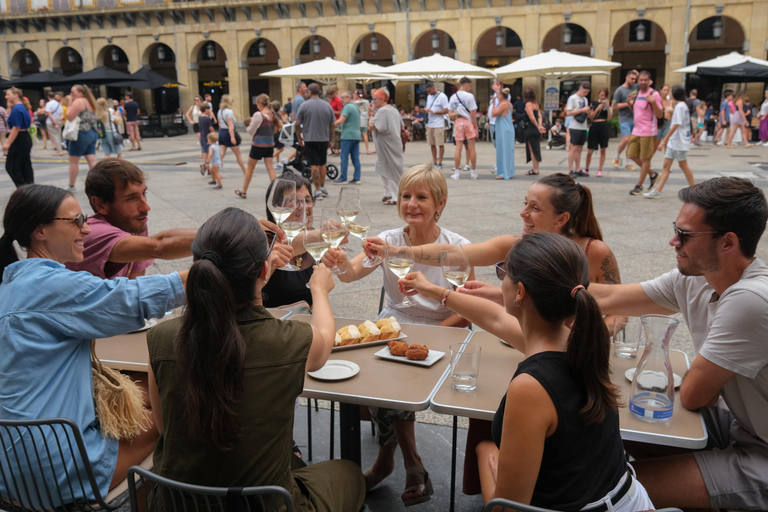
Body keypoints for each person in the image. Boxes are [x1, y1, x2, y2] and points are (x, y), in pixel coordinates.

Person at [400, 233, 653, 511]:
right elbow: (494, 317)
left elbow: (507, 509)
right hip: (631, 499)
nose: (501, 281)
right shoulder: (582, 342)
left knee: (486, 449)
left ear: (520, 292)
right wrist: (437, 292)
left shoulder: (530, 387)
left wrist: (485, 457)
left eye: (503, 273)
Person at [145, 207, 365, 512]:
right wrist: (319, 289)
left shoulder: (161, 337)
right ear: (262, 271)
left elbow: (162, 427)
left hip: (176, 503)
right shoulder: (288, 341)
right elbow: (325, 340)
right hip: (264, 505)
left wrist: (260, 275)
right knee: (349, 473)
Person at [0, 184, 187, 508]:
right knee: (175, 404)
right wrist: (218, 270)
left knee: (144, 386)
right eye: (75, 221)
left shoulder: (11, 285)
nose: (86, 228)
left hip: (9, 468)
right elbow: (134, 299)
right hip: (54, 469)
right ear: (40, 231)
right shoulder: (50, 284)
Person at [588, 177, 768, 511]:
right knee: (609, 428)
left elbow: (695, 394)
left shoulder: (751, 299)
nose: (673, 241)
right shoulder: (698, 277)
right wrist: (510, 292)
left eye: (685, 235)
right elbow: (610, 296)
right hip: (740, 423)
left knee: (612, 494)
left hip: (762, 452)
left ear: (728, 242)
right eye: (676, 228)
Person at [323, 163, 472, 506]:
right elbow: (350, 274)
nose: (411, 204)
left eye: (422, 197)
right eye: (406, 195)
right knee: (377, 379)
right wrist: (339, 260)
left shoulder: (457, 246)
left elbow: (465, 311)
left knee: (395, 377)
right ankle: (408, 464)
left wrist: (423, 340)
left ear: (441, 203)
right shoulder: (389, 240)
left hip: (443, 328)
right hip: (396, 324)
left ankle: (389, 463)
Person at [65, 159, 197, 279]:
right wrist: (216, 235)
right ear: (100, 205)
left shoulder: (133, 223)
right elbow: (159, 247)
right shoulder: (93, 233)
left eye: (144, 193)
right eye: (131, 198)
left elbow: (135, 283)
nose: (146, 207)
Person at [262, 173, 316, 306]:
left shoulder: (315, 240)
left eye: (307, 200)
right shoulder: (266, 243)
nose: (303, 206)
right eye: (294, 201)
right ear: (275, 207)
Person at [646, 85, 694, 198]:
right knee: (666, 166)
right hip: (675, 142)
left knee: (683, 166)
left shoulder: (680, 106)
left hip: (679, 142)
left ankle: (695, 189)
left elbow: (675, 125)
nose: (669, 93)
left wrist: (664, 141)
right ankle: (657, 191)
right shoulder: (681, 105)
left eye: (671, 91)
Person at [295, 83, 335, 201]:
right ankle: (322, 187)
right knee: (323, 163)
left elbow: (297, 123)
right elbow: (332, 124)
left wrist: (299, 137)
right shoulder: (327, 106)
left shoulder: (304, 105)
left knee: (314, 164)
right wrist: (331, 139)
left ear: (309, 92)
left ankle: (317, 190)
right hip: (323, 139)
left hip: (310, 138)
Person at [237, 94, 282, 198]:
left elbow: (251, 130)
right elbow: (274, 130)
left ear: (260, 103)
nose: (257, 106)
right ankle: (277, 192)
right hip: (269, 144)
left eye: (257, 104)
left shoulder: (258, 115)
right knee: (270, 168)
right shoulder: (272, 114)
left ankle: (243, 191)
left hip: (258, 145)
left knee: (250, 167)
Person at [627, 71, 662, 196]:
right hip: (636, 130)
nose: (642, 82)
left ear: (649, 81)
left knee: (645, 158)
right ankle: (652, 174)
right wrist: (629, 103)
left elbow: (660, 115)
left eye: (645, 80)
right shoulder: (636, 94)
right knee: (630, 154)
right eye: (640, 80)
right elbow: (637, 112)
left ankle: (639, 186)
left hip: (648, 130)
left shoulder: (654, 94)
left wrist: (653, 102)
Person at [369, 88, 404, 205]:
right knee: (381, 166)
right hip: (393, 143)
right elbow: (402, 126)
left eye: (375, 99)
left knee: (391, 168)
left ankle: (395, 196)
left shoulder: (383, 111)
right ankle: (388, 193)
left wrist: (371, 115)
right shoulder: (394, 110)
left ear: (382, 98)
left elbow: (371, 127)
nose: (373, 102)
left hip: (388, 144)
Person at [65, 85, 100, 191]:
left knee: (73, 161)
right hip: (92, 133)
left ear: (80, 93)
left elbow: (69, 116)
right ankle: (99, 183)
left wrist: (70, 102)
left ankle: (71, 186)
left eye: (73, 92)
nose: (71, 94)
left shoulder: (78, 101)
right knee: (92, 160)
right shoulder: (89, 101)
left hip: (81, 134)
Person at [2, 87, 34, 187]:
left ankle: (23, 189)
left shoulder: (17, 109)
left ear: (16, 95)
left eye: (8, 94)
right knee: (25, 165)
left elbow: (16, 128)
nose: (6, 96)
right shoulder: (21, 107)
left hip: (19, 139)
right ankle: (29, 188)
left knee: (12, 167)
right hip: (24, 138)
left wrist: (7, 143)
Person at [448, 77, 479, 180]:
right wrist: (475, 127)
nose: (470, 88)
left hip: (458, 122)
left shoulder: (453, 97)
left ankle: (457, 172)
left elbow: (450, 114)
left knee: (458, 148)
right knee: (472, 148)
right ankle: (473, 173)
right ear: (465, 84)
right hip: (468, 122)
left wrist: (458, 113)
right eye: (469, 85)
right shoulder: (470, 96)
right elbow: (473, 113)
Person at [612, 69, 639, 170]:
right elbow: (614, 105)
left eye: (635, 79)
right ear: (626, 78)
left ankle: (628, 162)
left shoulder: (636, 87)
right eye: (632, 78)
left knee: (631, 141)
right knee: (626, 139)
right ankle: (617, 157)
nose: (633, 81)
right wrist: (628, 104)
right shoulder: (619, 90)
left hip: (635, 118)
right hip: (624, 118)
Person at [334, 90, 362, 184]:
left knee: (344, 157)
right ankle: (357, 177)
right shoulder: (355, 107)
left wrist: (330, 125)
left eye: (343, 97)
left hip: (347, 135)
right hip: (356, 135)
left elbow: (341, 120)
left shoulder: (347, 107)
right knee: (355, 157)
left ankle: (343, 178)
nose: (341, 99)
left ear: (349, 97)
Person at [217, 94, 248, 177]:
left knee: (221, 154)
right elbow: (230, 125)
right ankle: (245, 171)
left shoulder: (220, 111)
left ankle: (215, 171)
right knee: (238, 154)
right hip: (228, 132)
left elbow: (219, 124)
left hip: (221, 132)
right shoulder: (229, 112)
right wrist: (232, 137)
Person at [565, 81, 591, 177]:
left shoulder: (585, 99)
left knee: (580, 148)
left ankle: (578, 168)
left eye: (587, 92)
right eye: (584, 92)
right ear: (580, 88)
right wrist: (582, 110)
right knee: (574, 148)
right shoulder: (572, 98)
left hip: (583, 126)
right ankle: (571, 169)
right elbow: (568, 112)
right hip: (574, 126)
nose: (586, 94)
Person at [585, 87, 613, 178]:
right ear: (598, 94)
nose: (602, 97)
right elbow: (591, 116)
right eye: (601, 95)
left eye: (604, 95)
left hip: (604, 125)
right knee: (590, 150)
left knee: (603, 148)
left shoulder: (607, 104)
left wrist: (608, 107)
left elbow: (609, 117)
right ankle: (586, 168)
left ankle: (600, 169)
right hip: (595, 125)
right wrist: (598, 108)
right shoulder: (594, 103)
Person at [491, 81, 514, 180]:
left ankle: (503, 172)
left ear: (501, 96)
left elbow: (494, 113)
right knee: (508, 150)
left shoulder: (503, 104)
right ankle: (509, 171)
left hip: (503, 129)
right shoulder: (509, 104)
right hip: (507, 128)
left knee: (502, 150)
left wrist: (493, 104)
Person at [424, 82, 449, 168]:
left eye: (429, 91)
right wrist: (426, 111)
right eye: (427, 91)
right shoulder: (429, 97)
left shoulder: (442, 97)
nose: (429, 93)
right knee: (432, 143)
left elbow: (446, 110)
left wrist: (434, 112)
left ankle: (440, 162)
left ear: (433, 88)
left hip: (438, 123)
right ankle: (434, 160)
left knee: (440, 143)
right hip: (430, 123)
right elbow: (429, 108)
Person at [45, 91, 64, 156]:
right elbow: (62, 115)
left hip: (51, 122)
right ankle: (60, 149)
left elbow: (49, 114)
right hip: (58, 122)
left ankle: (59, 151)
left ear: (48, 97)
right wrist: (57, 120)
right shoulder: (58, 104)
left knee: (54, 136)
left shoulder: (48, 104)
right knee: (58, 136)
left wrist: (53, 121)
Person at [655, 85, 673, 152]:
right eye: (664, 90)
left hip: (668, 122)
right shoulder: (657, 100)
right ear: (660, 91)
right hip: (659, 122)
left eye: (667, 90)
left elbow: (672, 113)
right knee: (656, 142)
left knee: (667, 142)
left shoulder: (670, 101)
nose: (666, 92)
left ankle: (667, 158)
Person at [354, 89, 372, 154]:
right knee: (365, 135)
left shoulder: (355, 102)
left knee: (357, 136)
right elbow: (369, 109)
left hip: (357, 120)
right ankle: (367, 150)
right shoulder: (366, 101)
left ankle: (357, 150)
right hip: (364, 119)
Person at [327, 84, 343, 156]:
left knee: (336, 136)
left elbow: (340, 112)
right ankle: (333, 149)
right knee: (331, 135)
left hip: (337, 120)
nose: (329, 97)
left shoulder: (338, 100)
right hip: (331, 120)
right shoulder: (331, 100)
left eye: (330, 95)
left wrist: (332, 111)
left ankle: (337, 150)